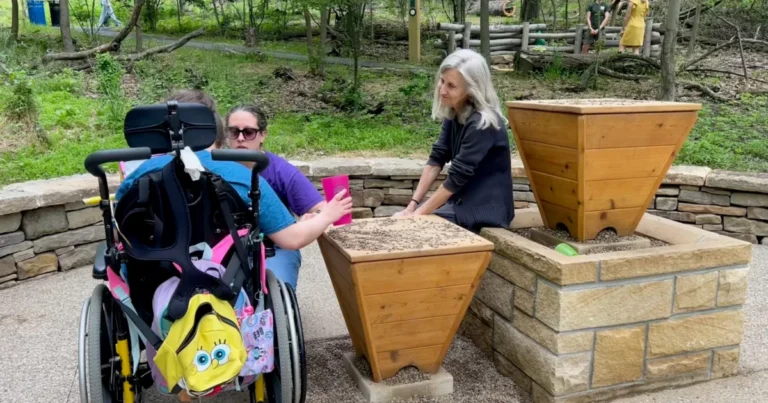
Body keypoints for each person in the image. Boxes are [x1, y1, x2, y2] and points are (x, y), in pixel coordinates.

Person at [114, 139, 351, 291]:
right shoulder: (239, 175)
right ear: (215, 137)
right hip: (228, 279)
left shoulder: (138, 176)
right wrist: (326, 215)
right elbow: (291, 239)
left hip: (155, 279)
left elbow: (120, 234)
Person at [393, 49, 514, 234]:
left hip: (484, 210)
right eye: (442, 81)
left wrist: (415, 217)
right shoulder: (455, 112)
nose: (442, 90)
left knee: (411, 230)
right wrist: (412, 206)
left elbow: (455, 179)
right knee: (402, 224)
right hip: (460, 204)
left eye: (451, 85)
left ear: (472, 89)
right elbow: (436, 159)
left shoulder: (482, 123)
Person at [223, 104, 327, 288]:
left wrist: (310, 220)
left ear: (263, 134)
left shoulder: (280, 171)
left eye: (248, 132)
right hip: (227, 247)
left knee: (275, 289)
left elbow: (321, 207)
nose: (240, 138)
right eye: (233, 132)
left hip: (274, 247)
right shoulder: (215, 167)